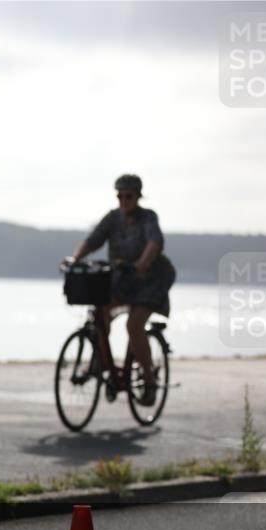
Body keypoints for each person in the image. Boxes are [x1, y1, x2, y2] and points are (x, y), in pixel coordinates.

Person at [66, 174, 176, 406]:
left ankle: (148, 382)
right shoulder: (112, 218)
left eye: (129, 196)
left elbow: (155, 242)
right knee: (100, 314)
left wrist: (142, 263)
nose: (124, 200)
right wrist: (74, 258)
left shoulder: (148, 217)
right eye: (120, 196)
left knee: (134, 325)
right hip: (122, 280)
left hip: (150, 280)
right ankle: (102, 363)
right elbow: (94, 239)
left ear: (138, 196)